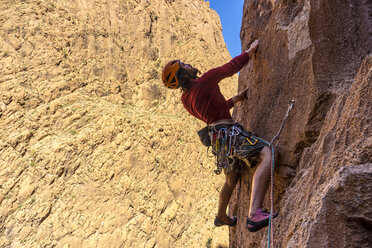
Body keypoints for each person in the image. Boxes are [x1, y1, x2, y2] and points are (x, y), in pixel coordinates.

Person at [161, 40, 278, 232]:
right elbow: (230, 68)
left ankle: (221, 215)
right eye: (185, 66)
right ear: (183, 74)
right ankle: (255, 213)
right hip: (230, 134)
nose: (190, 65)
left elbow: (212, 112)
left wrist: (235, 100)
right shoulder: (206, 80)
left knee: (231, 179)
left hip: (218, 141)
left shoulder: (186, 100)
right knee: (268, 154)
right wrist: (250, 51)